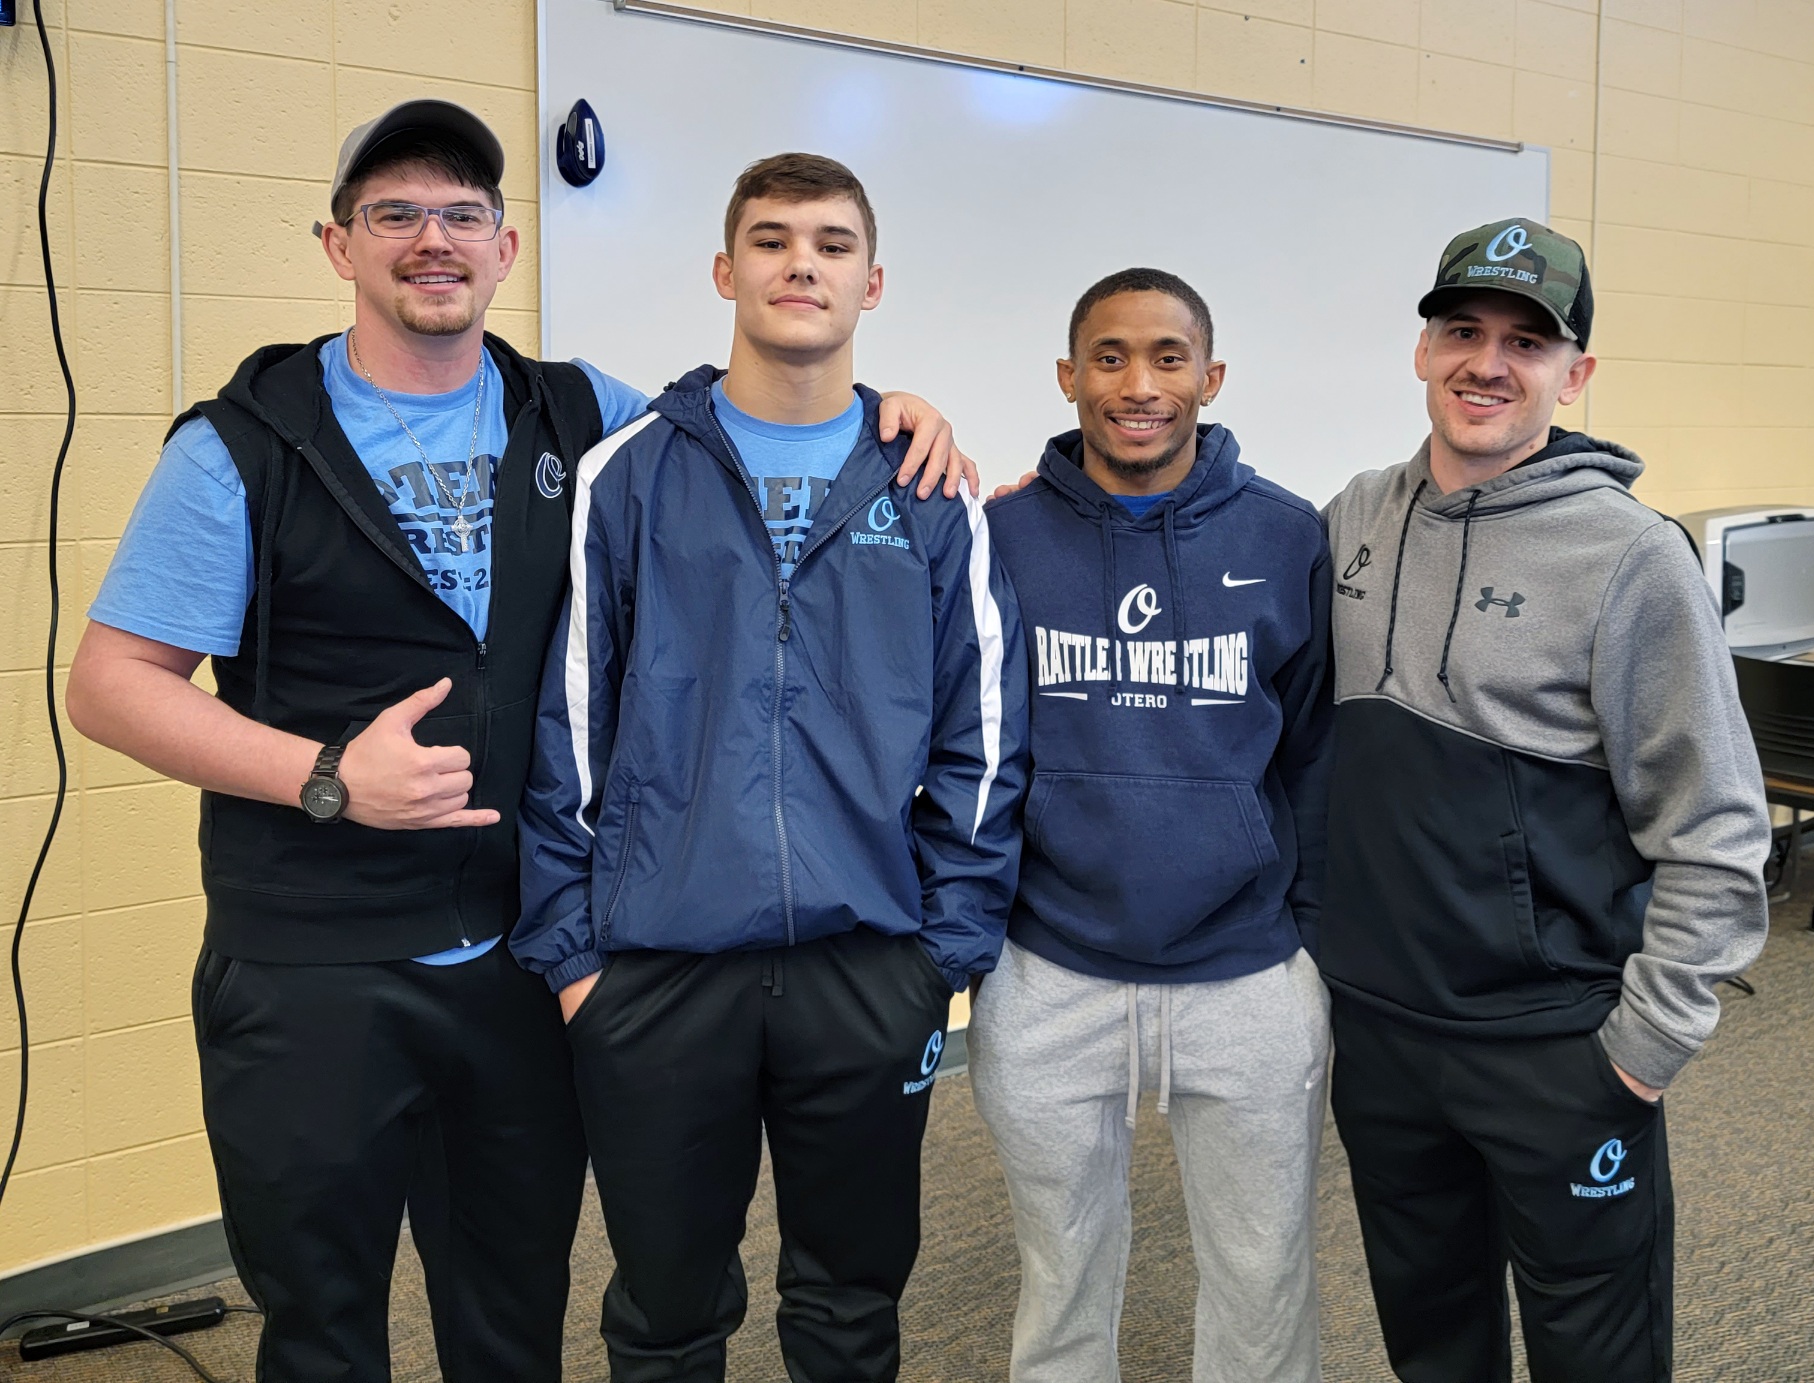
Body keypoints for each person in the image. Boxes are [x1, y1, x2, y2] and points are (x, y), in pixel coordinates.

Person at [63, 102, 974, 1383]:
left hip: (517, 969)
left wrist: (897, 416)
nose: (431, 240)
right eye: (394, 213)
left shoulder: (585, 421)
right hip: (313, 962)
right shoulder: (244, 447)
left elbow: (757, 416)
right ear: (337, 244)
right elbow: (109, 686)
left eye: (462, 215)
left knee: (513, 1317)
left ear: (505, 249)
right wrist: (324, 776)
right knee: (321, 1324)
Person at [512, 151, 1028, 1383]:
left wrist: (941, 957)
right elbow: (569, 726)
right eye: (774, 239)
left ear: (872, 282)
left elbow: (984, 737)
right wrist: (577, 964)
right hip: (657, 974)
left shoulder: (932, 491)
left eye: (833, 244)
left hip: (868, 969)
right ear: (724, 269)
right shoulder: (630, 473)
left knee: (851, 1307)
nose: (804, 264)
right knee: (665, 1312)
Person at [1318, 219, 1770, 1382]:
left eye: (1527, 343)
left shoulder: (1632, 558)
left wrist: (1645, 1049)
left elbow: (1717, 826)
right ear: (1423, 349)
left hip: (1556, 1049)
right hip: (1382, 1037)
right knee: (1432, 1344)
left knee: (1595, 1356)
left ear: (1576, 374)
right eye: (1463, 331)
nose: (1487, 363)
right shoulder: (1354, 516)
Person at [970, 269, 1334, 1383]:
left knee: (1263, 1275)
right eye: (1111, 356)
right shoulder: (1001, 536)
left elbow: (1315, 752)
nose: (1139, 384)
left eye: (1169, 358)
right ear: (1068, 375)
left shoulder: (1286, 536)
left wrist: (1311, 935)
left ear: (1210, 378)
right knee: (1061, 1270)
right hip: (1050, 966)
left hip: (1244, 970)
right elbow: (970, 744)